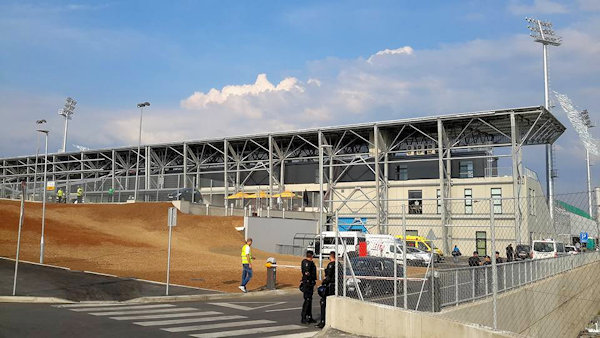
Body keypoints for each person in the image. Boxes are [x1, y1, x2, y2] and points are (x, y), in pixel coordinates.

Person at [317, 251, 337, 329]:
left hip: (330, 286)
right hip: (336, 287)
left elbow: (328, 277)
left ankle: (323, 321)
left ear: (330, 256)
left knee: (323, 303)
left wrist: (323, 282)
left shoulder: (331, 265)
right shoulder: (339, 265)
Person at [300, 251, 317, 324]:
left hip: (310, 283)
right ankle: (303, 317)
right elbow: (307, 273)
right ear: (311, 256)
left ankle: (309, 317)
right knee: (307, 300)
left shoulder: (311, 263)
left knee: (309, 300)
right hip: (307, 284)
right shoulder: (306, 262)